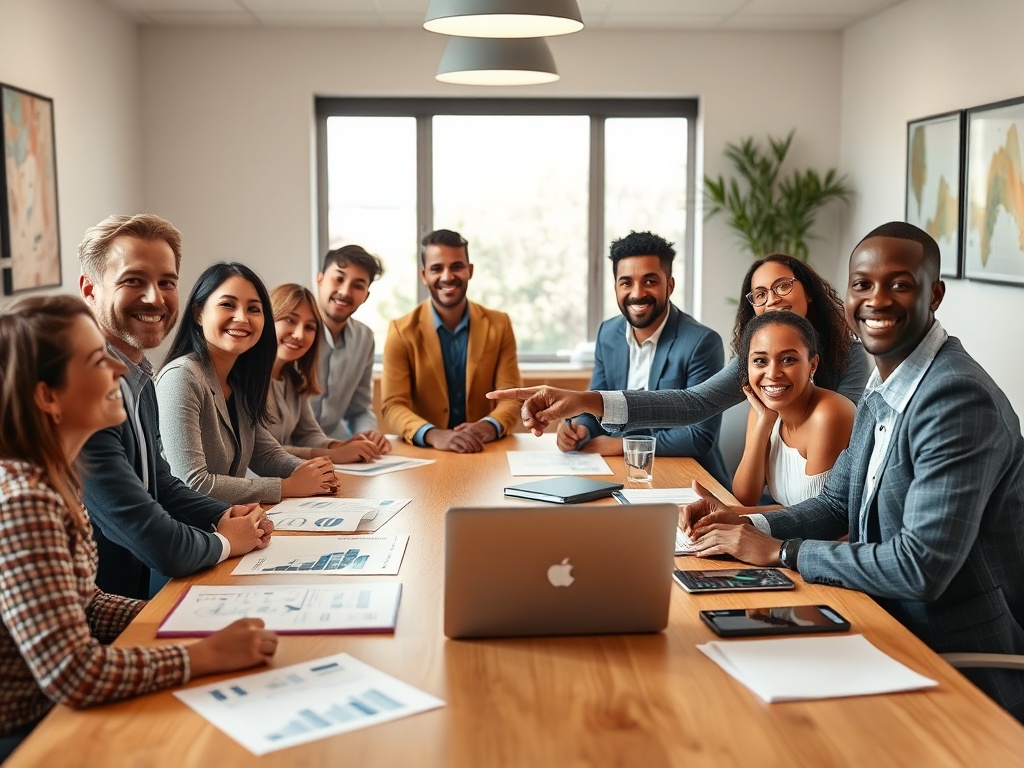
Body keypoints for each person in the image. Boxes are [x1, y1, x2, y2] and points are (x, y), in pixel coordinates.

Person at [682, 222, 1024, 721]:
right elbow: (836, 503)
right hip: (876, 624)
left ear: (936, 293)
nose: (876, 300)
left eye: (899, 284)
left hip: (950, 659)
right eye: (862, 285)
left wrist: (781, 551)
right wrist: (742, 524)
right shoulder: (886, 387)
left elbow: (920, 567)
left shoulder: (955, 397)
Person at [0, 296, 277, 761]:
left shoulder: (54, 477)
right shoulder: (25, 501)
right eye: (96, 361)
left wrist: (184, 622)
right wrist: (201, 656)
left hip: (58, 712)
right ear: (48, 397)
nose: (118, 371)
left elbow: (84, 603)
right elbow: (74, 672)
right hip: (33, 732)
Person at [77, 214, 271, 600]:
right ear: (90, 289)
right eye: (133, 280)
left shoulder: (140, 377)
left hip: (132, 599)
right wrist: (225, 542)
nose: (155, 297)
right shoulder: (82, 394)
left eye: (167, 282)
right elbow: (151, 537)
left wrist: (217, 514)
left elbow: (159, 482)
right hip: (95, 609)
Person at [487, 253, 869, 438]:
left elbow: (844, 441)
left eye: (783, 286)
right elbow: (691, 403)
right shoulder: (753, 364)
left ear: (809, 291)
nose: (773, 299)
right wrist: (588, 401)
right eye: (759, 294)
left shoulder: (849, 355)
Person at [556, 231, 730, 486]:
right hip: (620, 472)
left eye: (649, 281)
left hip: (689, 479)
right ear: (616, 286)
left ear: (669, 285)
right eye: (626, 282)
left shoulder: (701, 343)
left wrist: (622, 444)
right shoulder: (608, 333)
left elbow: (698, 436)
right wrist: (579, 428)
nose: (637, 293)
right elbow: (598, 399)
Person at [155, 262, 338, 505]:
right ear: (198, 313)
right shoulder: (181, 377)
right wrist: (287, 486)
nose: (241, 318)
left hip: (231, 521)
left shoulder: (240, 380)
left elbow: (265, 453)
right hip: (187, 531)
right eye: (227, 305)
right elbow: (192, 483)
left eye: (253, 309)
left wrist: (312, 472)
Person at [382, 229, 522, 452]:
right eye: (437, 268)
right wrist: (433, 434)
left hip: (484, 449)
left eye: (456, 266)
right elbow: (392, 406)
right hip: (427, 452)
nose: (447, 276)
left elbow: (512, 396)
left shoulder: (499, 324)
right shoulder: (400, 331)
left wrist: (488, 426)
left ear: (470, 270)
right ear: (424, 275)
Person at [731, 312, 854, 506]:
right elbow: (745, 497)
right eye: (760, 361)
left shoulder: (830, 413)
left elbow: (818, 516)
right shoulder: (761, 412)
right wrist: (763, 424)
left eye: (788, 359)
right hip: (789, 534)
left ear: (812, 365)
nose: (772, 374)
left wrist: (738, 517)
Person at [268, 283, 383, 463]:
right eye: (290, 320)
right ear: (267, 318)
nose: (299, 334)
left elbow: (308, 434)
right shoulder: (245, 379)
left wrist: (339, 446)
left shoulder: (294, 380)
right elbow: (259, 451)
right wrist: (331, 455)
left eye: (309, 327)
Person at [309, 245, 390, 454]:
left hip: (339, 450)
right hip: (288, 453)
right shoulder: (290, 335)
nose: (345, 291)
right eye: (338, 278)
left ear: (366, 295)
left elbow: (359, 409)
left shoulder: (364, 339)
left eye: (358, 285)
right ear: (319, 280)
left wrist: (369, 433)